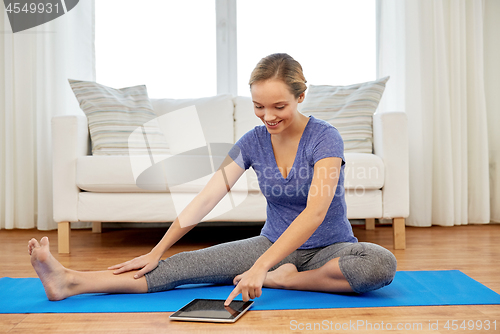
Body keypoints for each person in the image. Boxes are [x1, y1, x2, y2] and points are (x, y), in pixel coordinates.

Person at [28, 53, 397, 305]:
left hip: (330, 249)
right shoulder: (252, 141)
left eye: (279, 106)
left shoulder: (325, 137)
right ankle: (69, 281)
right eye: (259, 106)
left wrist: (262, 269)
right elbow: (208, 196)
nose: (267, 116)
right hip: (270, 242)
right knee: (182, 266)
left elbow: (315, 213)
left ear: (301, 96)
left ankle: (286, 280)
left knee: (378, 265)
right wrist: (158, 249)